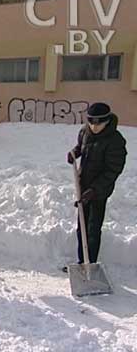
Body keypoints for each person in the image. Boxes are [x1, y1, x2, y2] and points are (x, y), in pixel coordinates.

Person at [65, 102, 127, 269]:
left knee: (92, 228)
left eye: (98, 122)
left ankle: (90, 264)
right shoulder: (85, 132)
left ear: (107, 121)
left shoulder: (115, 141)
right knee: (82, 227)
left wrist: (94, 190)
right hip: (83, 186)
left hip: (99, 190)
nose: (94, 126)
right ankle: (82, 261)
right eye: (91, 121)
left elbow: (112, 171)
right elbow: (81, 147)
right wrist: (74, 153)